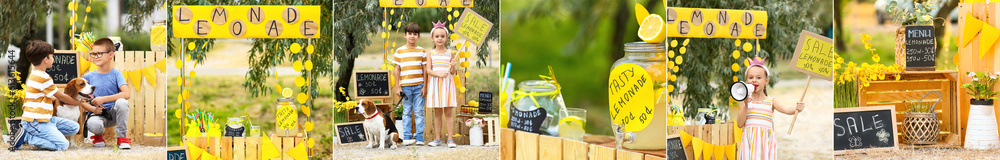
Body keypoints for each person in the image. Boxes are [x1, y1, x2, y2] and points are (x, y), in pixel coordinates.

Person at [10, 40, 98, 151]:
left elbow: (50, 97)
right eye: (52, 56)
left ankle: (41, 135)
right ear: (45, 60)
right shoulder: (43, 77)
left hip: (45, 119)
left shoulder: (35, 74)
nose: (53, 59)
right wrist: (79, 102)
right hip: (35, 121)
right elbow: (61, 96)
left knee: (75, 127)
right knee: (63, 145)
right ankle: (27, 137)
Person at [736, 56, 805, 159]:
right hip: (749, 143)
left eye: (759, 77)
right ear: (746, 80)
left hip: (766, 143)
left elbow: (786, 110)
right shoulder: (744, 101)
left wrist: (796, 109)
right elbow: (740, 123)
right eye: (751, 78)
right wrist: (746, 104)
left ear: (766, 81)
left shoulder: (771, 101)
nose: (754, 80)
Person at [84, 38, 132, 149]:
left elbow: (126, 94)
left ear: (110, 54)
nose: (96, 57)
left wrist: (103, 99)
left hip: (114, 114)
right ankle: (98, 136)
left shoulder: (117, 74)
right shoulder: (88, 77)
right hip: (97, 115)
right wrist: (93, 110)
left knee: (122, 102)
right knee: (93, 124)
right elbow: (82, 101)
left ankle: (122, 139)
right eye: (93, 54)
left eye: (99, 54)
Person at [424, 20, 459, 148]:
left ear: (446, 38)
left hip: (447, 86)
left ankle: (450, 139)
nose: (440, 38)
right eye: (437, 36)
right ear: (432, 38)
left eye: (442, 36)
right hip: (436, 85)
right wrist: (439, 75)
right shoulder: (430, 54)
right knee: (437, 113)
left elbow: (453, 72)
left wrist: (453, 66)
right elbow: (428, 70)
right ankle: (437, 138)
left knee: (448, 112)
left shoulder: (451, 53)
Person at [393, 22, 428, 146]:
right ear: (405, 35)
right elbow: (397, 69)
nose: (412, 36)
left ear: (418, 36)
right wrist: (397, 87)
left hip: (419, 86)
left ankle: (419, 137)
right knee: (406, 111)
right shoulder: (399, 51)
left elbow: (425, 69)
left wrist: (425, 86)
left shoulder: (422, 51)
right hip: (405, 87)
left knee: (419, 112)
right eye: (409, 34)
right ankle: (407, 136)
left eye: (415, 34)